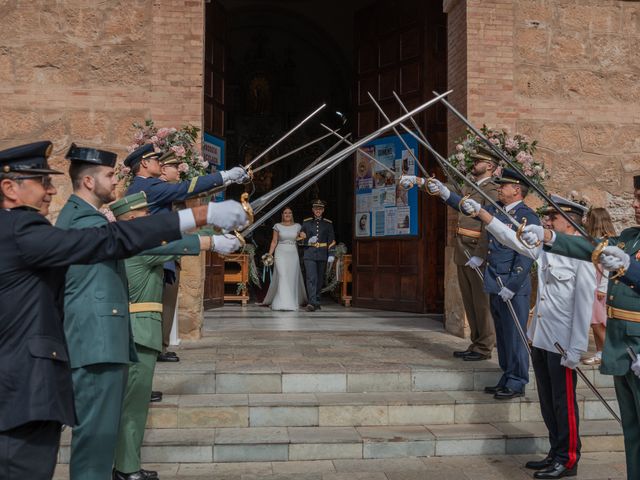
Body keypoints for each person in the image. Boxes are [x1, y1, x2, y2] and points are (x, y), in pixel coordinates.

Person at [0, 141, 247, 479]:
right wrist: (201, 219)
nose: (49, 190)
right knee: (92, 444)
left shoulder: (39, 226)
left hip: (54, 369)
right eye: (41, 181)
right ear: (9, 188)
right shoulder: (30, 228)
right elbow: (113, 240)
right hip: (70, 358)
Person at [462, 193, 595, 479]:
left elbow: (584, 304)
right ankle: (554, 451)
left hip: (563, 343)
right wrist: (485, 216)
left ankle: (568, 459)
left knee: (564, 403)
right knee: (547, 401)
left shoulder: (582, 255)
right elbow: (511, 239)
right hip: (543, 337)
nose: (546, 221)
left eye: (553, 217)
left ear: (571, 222)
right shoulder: (548, 249)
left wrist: (576, 348)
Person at [111, 192, 241, 480]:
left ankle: (124, 464)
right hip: (139, 332)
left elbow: (170, 238)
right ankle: (126, 469)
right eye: (144, 214)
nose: (149, 217)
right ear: (131, 219)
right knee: (134, 406)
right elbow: (177, 246)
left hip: (135, 331)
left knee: (133, 404)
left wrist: (215, 228)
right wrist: (213, 240)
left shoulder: (133, 242)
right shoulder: (139, 247)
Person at [520, 174, 640, 480]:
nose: (635, 204)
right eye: (636, 197)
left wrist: (628, 266)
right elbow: (593, 248)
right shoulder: (630, 235)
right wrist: (549, 238)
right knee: (633, 432)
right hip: (623, 347)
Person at [421, 169, 539, 399]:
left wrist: (513, 285)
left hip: (511, 288)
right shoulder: (497, 209)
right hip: (495, 282)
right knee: (503, 336)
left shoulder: (526, 216)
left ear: (516, 190)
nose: (499, 189)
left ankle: (517, 380)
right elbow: (471, 209)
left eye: (503, 186)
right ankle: (507, 374)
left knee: (515, 335)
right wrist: (445, 193)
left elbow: (526, 255)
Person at [126, 144, 249, 363]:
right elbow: (185, 188)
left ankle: (155, 352)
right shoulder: (149, 187)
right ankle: (150, 355)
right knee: (152, 309)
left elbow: (185, 194)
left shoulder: (145, 186)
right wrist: (224, 175)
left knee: (158, 308)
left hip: (159, 252)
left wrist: (226, 180)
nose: (160, 165)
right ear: (144, 164)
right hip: (154, 253)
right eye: (156, 161)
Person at [402, 145, 499, 361]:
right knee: (470, 301)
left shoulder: (491, 190)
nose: (474, 164)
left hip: (476, 251)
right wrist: (419, 182)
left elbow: (489, 225)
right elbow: (447, 191)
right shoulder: (471, 186)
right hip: (463, 249)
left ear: (490, 166)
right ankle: (476, 343)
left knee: (481, 302)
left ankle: (485, 346)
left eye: (478, 162)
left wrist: (482, 253)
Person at [582, 207, 616, 366]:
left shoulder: (607, 241)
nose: (585, 222)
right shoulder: (594, 240)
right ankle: (600, 351)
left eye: (588, 219)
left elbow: (609, 267)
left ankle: (609, 353)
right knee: (595, 320)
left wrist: (603, 287)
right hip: (592, 283)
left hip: (600, 285)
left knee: (597, 321)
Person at [262, 207, 307, 311]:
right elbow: (274, 242)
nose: (287, 214)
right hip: (280, 252)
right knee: (282, 276)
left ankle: (291, 301)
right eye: (285, 213)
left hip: (293, 253)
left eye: (289, 213)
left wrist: (303, 236)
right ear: (282, 214)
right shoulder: (277, 226)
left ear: (292, 215)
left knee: (291, 277)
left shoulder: (297, 226)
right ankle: (281, 303)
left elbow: (300, 239)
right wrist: (269, 255)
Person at [299, 199, 336, 311]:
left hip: (322, 254)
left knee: (320, 279)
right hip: (309, 254)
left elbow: (332, 239)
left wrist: (331, 254)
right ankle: (312, 302)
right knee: (311, 278)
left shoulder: (328, 224)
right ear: (312, 210)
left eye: (320, 209)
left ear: (323, 210)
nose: (318, 211)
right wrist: (308, 241)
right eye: (316, 208)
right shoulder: (306, 223)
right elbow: (299, 240)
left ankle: (317, 300)